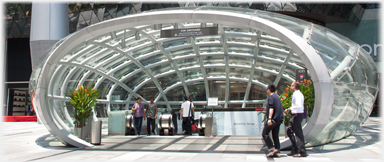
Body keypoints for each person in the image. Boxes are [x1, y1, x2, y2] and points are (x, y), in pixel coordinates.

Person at [284, 81, 308, 157]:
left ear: (294, 87)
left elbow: (298, 105)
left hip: (297, 115)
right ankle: (295, 149)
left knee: (298, 133)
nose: (290, 87)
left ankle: (302, 151)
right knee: (289, 130)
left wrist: (289, 109)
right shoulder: (298, 94)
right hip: (297, 115)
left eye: (291, 86)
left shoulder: (297, 94)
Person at [262, 84, 284, 157]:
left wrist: (269, 119)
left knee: (264, 133)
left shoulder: (271, 97)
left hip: (273, 119)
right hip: (279, 119)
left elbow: (271, 108)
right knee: (275, 135)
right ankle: (277, 151)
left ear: (268, 90)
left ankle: (272, 148)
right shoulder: (277, 97)